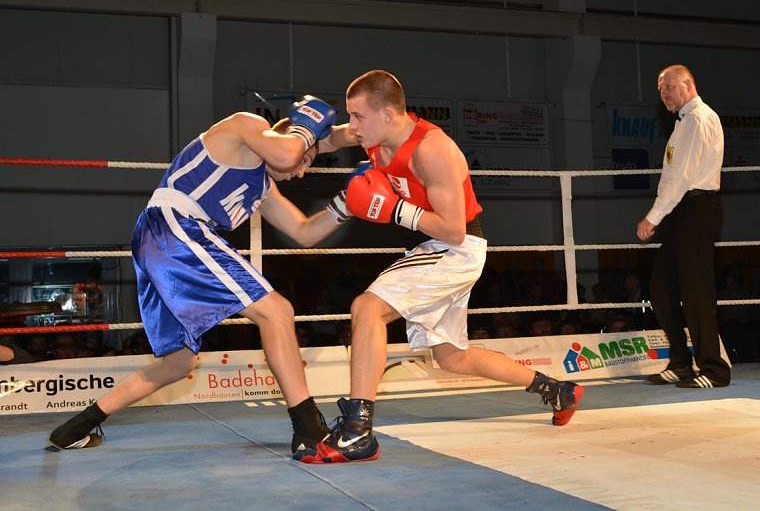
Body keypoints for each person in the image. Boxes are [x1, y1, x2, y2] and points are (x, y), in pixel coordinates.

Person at [293, 70, 583, 465]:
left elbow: (453, 228)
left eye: (358, 117)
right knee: (451, 357)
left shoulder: (433, 150)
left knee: (367, 308)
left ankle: (358, 432)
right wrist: (298, 143)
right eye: (351, 116)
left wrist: (394, 209)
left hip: (454, 245)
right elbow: (328, 139)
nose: (353, 127)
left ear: (389, 114)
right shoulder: (373, 133)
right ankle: (556, 389)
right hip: (433, 246)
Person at [48, 96, 351, 451]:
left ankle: (75, 427)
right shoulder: (245, 127)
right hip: (177, 227)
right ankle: (310, 430)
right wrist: (304, 129)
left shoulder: (264, 186)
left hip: (160, 239)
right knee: (277, 311)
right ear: (284, 137)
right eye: (306, 160)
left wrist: (349, 202)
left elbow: (304, 232)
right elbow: (288, 152)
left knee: (178, 363)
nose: (301, 171)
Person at [637, 65, 731, 389]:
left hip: (696, 208)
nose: (663, 94)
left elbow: (682, 178)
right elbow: (673, 179)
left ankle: (715, 369)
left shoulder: (698, 120)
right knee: (661, 290)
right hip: (682, 211)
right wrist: (662, 214)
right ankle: (680, 364)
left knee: (696, 292)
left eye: (668, 87)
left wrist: (653, 217)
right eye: (660, 90)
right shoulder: (683, 124)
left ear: (688, 85)